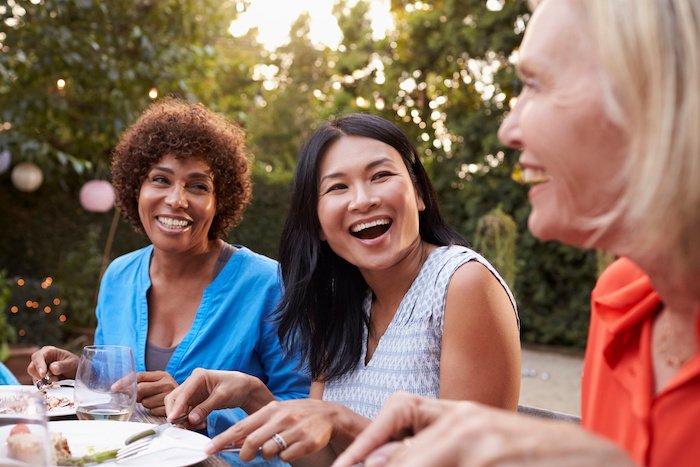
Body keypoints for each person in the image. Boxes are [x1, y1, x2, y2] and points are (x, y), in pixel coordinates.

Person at [333, 0, 700, 466]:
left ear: (659, 94)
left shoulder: (458, 281)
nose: (508, 129)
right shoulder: (620, 303)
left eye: (535, 84)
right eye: (336, 187)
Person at [165, 113, 521, 464]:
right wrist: (255, 396)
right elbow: (325, 460)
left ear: (419, 194)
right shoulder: (339, 303)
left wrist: (341, 421)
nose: (362, 200)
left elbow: (468, 460)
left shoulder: (462, 283)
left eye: (380, 175)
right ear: (317, 223)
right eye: (338, 187)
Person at [27, 98, 310, 437]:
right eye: (160, 180)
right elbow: (115, 391)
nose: (177, 199)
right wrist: (81, 375)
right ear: (137, 188)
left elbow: (301, 409)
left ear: (221, 201)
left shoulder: (268, 285)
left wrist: (202, 413)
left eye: (198, 185)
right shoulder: (118, 276)